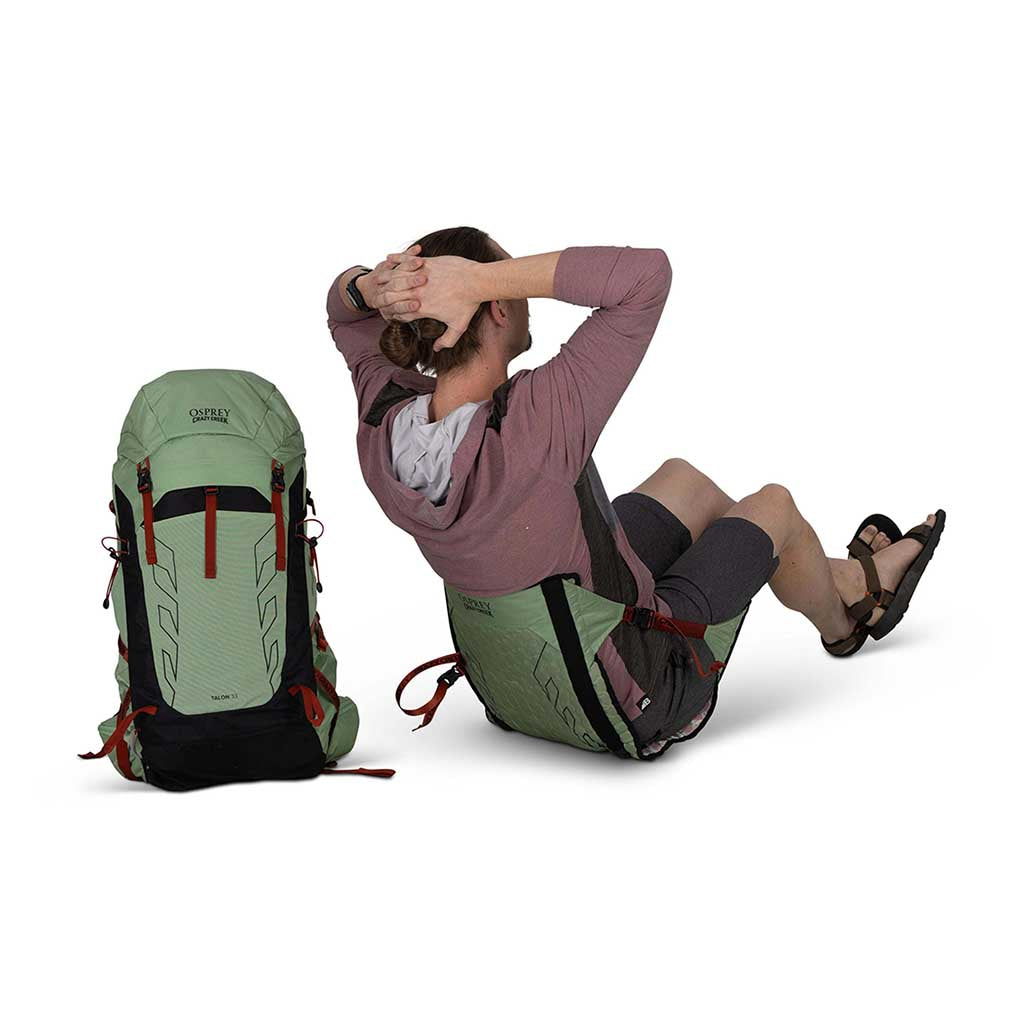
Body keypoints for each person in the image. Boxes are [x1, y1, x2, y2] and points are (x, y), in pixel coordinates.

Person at [326, 227, 943, 752]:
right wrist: (483, 279)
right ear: (496, 309)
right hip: (630, 698)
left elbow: (340, 311)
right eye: (508, 282)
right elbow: (645, 276)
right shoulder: (534, 421)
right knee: (775, 507)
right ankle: (847, 614)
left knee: (684, 482)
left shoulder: (384, 420)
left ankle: (832, 577)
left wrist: (371, 289)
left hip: (518, 688)